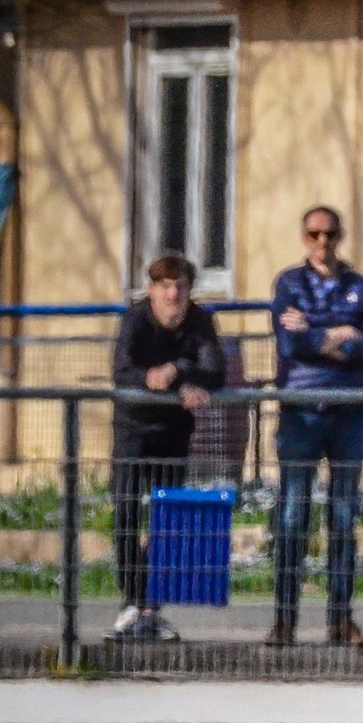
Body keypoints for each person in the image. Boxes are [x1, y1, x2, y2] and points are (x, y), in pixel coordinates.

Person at [269, 205, 363, 649]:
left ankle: (341, 620)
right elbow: (289, 341)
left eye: (330, 234)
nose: (323, 243)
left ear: (340, 236)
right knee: (294, 515)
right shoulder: (289, 283)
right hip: (300, 411)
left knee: (343, 517)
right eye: (314, 234)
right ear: (304, 238)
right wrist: (337, 334)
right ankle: (284, 621)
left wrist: (315, 332)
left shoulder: (362, 288)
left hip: (348, 412)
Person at [108, 254, 224, 641]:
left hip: (175, 433)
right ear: (152, 290)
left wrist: (179, 370)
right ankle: (130, 601)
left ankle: (150, 606)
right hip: (132, 431)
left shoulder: (201, 321)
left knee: (167, 521)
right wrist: (149, 378)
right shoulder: (136, 319)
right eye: (165, 286)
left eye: (181, 287)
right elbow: (122, 370)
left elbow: (215, 369)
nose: (173, 294)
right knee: (126, 513)